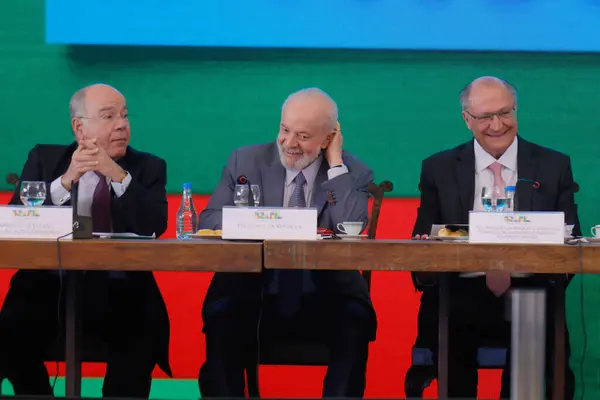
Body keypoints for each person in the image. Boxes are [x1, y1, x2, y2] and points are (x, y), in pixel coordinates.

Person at [198, 88, 376, 397]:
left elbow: (352, 229)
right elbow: (209, 220)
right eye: (284, 130)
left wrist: (335, 164)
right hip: (251, 290)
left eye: (303, 136)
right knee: (222, 316)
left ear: (329, 137)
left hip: (327, 294)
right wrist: (263, 224)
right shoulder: (246, 160)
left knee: (354, 319)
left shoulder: (352, 172)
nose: (289, 143)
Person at [410, 76, 579, 398]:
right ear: (467, 120)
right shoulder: (439, 168)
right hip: (459, 288)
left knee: (530, 312)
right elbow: (424, 240)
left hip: (529, 288)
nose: (498, 125)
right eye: (486, 117)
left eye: (505, 113)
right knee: (451, 313)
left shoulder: (553, 165)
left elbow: (571, 242)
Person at [0, 83, 172, 397]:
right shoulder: (45, 159)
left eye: (124, 115)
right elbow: (17, 220)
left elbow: (155, 225)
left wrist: (117, 174)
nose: (122, 124)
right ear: (80, 127)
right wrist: (66, 181)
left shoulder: (149, 167)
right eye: (108, 116)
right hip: (50, 288)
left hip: (122, 289)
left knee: (142, 333)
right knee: (11, 330)